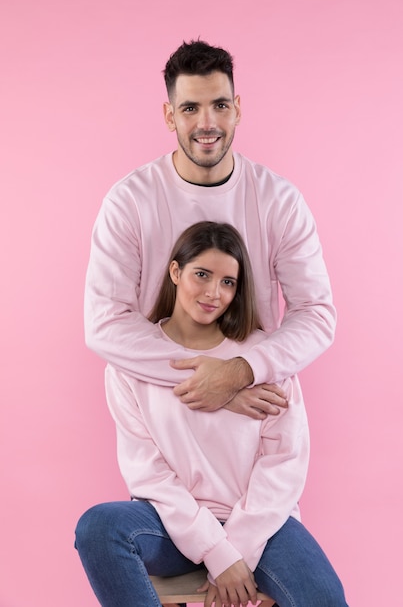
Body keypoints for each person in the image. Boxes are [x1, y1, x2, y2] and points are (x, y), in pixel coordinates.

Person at [75, 221, 348, 607]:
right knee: (99, 527)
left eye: (228, 282)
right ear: (175, 272)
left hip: (261, 527)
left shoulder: (262, 357)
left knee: (325, 598)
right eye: (201, 274)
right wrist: (215, 553)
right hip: (168, 526)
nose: (213, 293)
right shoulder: (131, 361)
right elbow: (148, 472)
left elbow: (284, 462)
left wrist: (234, 552)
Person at [83, 39, 336, 420]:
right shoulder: (129, 202)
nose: (207, 124)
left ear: (237, 109)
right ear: (170, 117)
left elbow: (315, 313)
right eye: (190, 108)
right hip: (159, 406)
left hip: (254, 405)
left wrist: (239, 372)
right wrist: (208, 379)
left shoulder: (280, 201)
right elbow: (104, 323)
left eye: (219, 105)